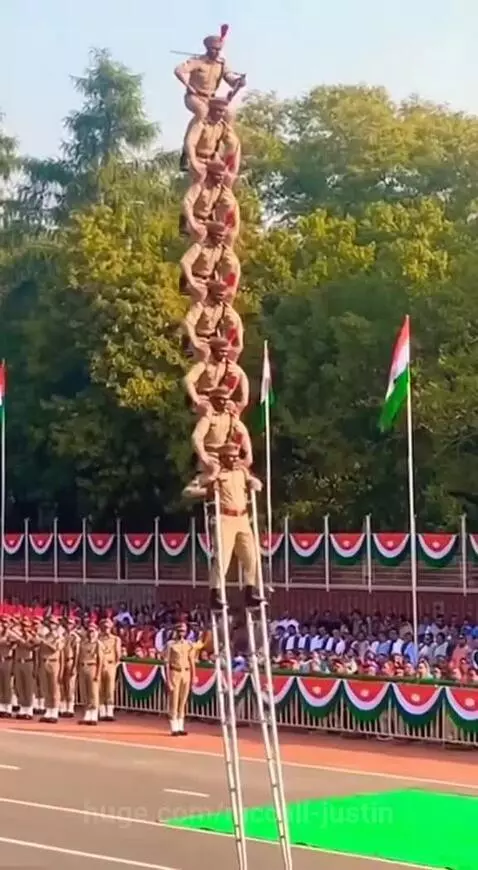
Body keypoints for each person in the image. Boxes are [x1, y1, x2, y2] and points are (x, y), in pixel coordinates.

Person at [203, 441, 263, 611]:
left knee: (251, 556)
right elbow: (200, 488)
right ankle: (215, 594)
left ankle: (250, 592)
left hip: (243, 518)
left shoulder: (242, 472)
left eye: (237, 457)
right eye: (231, 457)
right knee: (222, 558)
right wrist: (210, 485)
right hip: (225, 518)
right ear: (223, 459)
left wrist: (254, 483)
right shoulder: (218, 474)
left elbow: (255, 483)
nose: (235, 460)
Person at [188, 385, 252, 491]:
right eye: (220, 399)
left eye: (225, 400)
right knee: (213, 475)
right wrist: (205, 458)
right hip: (211, 457)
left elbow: (243, 433)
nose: (223, 402)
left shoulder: (231, 417)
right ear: (213, 400)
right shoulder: (208, 417)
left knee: (245, 477)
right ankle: (200, 488)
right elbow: (196, 438)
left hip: (229, 456)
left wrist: (248, 456)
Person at [174, 31, 245, 127]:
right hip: (194, 97)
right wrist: (188, 86)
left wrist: (238, 81)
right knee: (202, 111)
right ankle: (191, 140)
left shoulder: (221, 64)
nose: (217, 52)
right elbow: (178, 70)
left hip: (211, 99)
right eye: (214, 49)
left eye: (219, 50)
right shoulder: (197, 61)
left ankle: (225, 137)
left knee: (229, 113)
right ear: (207, 48)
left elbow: (230, 78)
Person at [184, 337, 249, 416]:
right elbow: (187, 380)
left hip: (220, 400)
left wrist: (243, 402)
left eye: (226, 351)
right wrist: (196, 399)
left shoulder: (230, 366)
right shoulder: (204, 365)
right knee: (207, 410)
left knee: (233, 412)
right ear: (213, 350)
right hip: (204, 398)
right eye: (221, 351)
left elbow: (242, 377)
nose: (225, 354)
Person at [181, 157, 239, 243]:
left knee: (225, 235)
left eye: (222, 175)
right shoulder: (199, 187)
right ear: (210, 174)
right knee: (202, 234)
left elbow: (229, 204)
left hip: (208, 221)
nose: (221, 178)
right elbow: (186, 204)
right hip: (194, 220)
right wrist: (193, 224)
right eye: (218, 175)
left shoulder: (220, 189)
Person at [182, 279, 244, 361]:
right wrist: (195, 341)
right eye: (219, 294)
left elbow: (237, 322)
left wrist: (239, 344)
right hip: (197, 338)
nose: (222, 296)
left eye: (223, 294)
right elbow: (188, 323)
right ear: (211, 293)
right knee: (206, 354)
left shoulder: (224, 307)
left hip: (213, 339)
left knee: (228, 355)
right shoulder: (200, 306)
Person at [182, 98, 241, 181]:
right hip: (198, 159)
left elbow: (234, 144)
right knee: (198, 184)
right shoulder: (201, 124)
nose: (221, 114)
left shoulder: (222, 127)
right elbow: (190, 143)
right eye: (219, 111)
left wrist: (231, 169)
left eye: (222, 112)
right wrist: (194, 162)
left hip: (212, 159)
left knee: (225, 180)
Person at [180, 221, 240, 301]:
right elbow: (185, 262)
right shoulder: (199, 247)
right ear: (212, 235)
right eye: (219, 235)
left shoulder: (222, 249)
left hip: (209, 282)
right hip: (194, 280)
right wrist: (192, 282)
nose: (222, 238)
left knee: (223, 296)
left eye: (223, 236)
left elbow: (234, 264)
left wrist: (229, 285)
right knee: (202, 294)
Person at [165, 621, 196, 736]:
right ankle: (174, 727)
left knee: (183, 701)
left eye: (183, 630)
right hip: (175, 672)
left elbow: (191, 662)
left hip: (186, 673)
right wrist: (168, 680)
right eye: (179, 630)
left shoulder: (189, 645)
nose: (181, 633)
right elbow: (167, 663)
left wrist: (193, 676)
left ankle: (180, 725)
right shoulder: (170, 645)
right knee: (174, 699)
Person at [38, 615, 63, 723]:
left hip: (53, 663)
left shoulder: (59, 637)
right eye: (49, 623)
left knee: (54, 688)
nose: (51, 625)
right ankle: (48, 710)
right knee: (46, 687)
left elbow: (55, 648)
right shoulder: (45, 635)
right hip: (44, 662)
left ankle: (55, 711)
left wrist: (45, 642)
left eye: (53, 623)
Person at [78, 620, 103, 726]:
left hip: (93, 667)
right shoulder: (83, 643)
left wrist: (98, 674)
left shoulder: (98, 644)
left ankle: (94, 714)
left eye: (93, 631)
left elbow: (100, 660)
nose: (91, 633)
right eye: (89, 631)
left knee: (93, 692)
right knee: (85, 692)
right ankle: (87, 713)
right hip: (83, 667)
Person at [98, 616, 122, 721]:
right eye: (104, 626)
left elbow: (118, 655)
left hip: (110, 664)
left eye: (108, 626)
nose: (106, 628)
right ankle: (102, 711)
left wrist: (114, 666)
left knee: (110, 689)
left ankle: (110, 711)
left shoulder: (115, 639)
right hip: (99, 665)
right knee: (100, 688)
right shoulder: (98, 638)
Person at [60, 614, 80, 718]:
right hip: (61, 661)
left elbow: (76, 653)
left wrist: (74, 667)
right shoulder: (62, 635)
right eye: (67, 623)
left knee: (70, 685)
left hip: (70, 661)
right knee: (62, 684)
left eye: (70, 623)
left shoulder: (75, 637)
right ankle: (63, 706)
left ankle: (70, 707)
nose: (68, 625)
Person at [0, 611, 14, 718]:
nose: (4, 624)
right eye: (2, 622)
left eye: (6, 622)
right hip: (0, 660)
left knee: (8, 684)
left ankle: (8, 707)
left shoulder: (12, 633)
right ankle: (1, 706)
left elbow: (16, 644)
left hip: (8, 660)